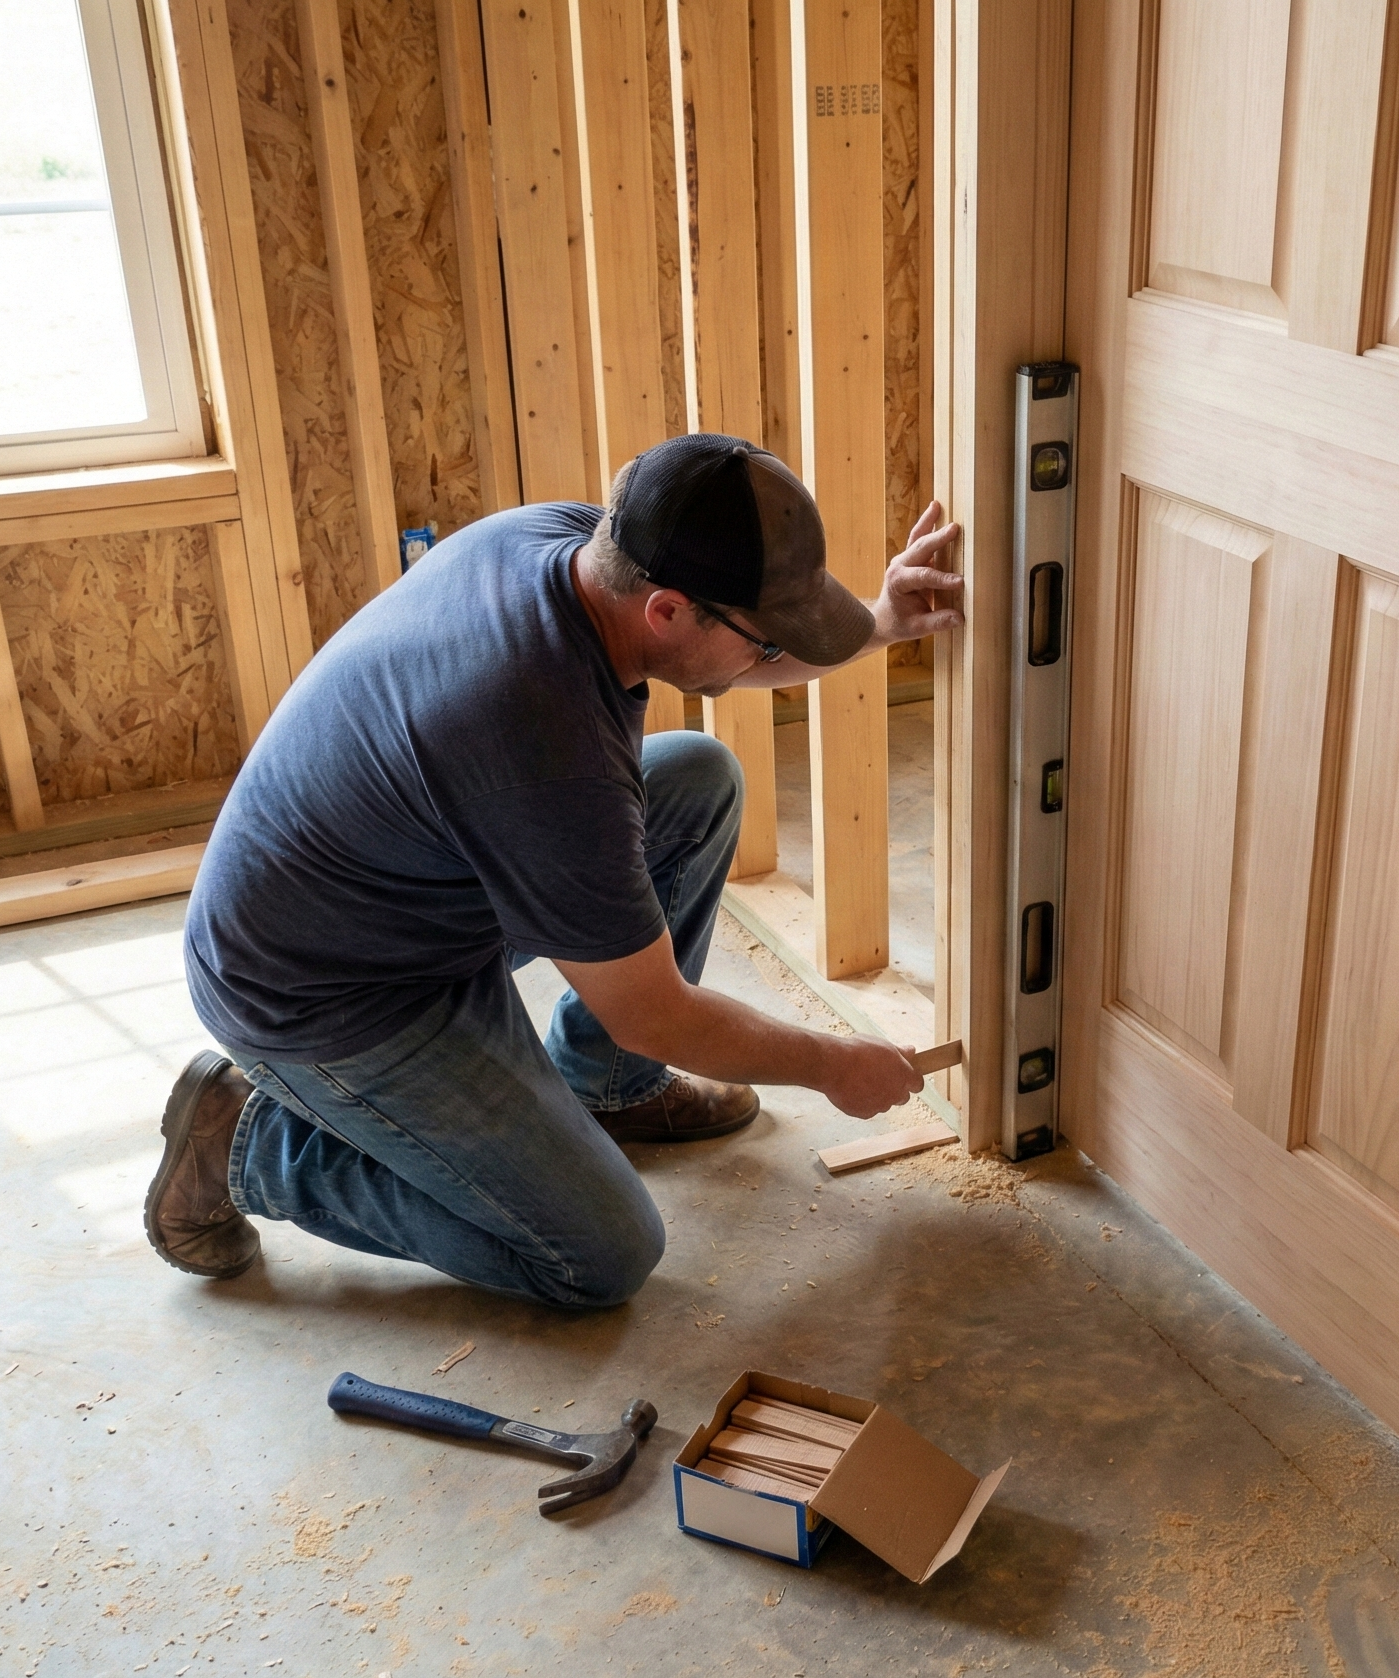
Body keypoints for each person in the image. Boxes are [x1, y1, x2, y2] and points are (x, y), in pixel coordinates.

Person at [141, 433, 964, 1306]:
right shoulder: (542, 744)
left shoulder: (567, 543)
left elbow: (717, 661)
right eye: (765, 645)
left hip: (408, 889)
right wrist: (832, 1063)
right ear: (668, 612)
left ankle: (609, 1086)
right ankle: (250, 1146)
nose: (770, 659)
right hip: (328, 995)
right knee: (598, 1255)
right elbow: (657, 1013)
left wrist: (881, 622)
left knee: (695, 778)